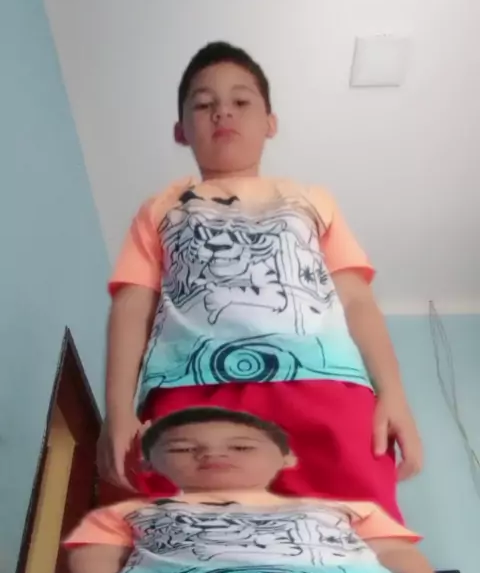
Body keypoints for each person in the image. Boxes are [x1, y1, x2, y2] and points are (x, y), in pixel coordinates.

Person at [98, 41, 422, 519]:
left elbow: (356, 299)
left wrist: (393, 393)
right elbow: (132, 304)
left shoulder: (312, 201)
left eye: (241, 100)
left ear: (270, 122)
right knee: (194, 540)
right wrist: (118, 408)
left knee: (357, 536)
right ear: (180, 131)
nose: (222, 111)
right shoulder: (159, 209)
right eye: (203, 104)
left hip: (326, 386)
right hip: (191, 390)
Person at [69, 408, 451, 573]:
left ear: (287, 459)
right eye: (183, 448)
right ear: (149, 462)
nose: (211, 454)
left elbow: (392, 547)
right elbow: (97, 546)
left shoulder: (345, 509)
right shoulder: (133, 512)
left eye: (241, 446)